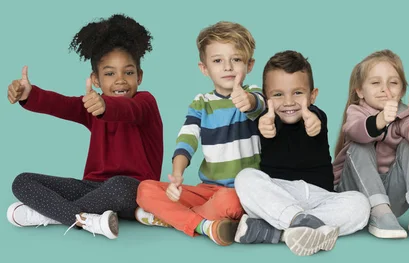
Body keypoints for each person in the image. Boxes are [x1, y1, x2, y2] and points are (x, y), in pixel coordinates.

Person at [6, 14, 162, 240]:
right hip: (92, 189)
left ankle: (49, 215)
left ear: (139, 76)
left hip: (135, 192)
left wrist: (104, 105)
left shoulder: (145, 102)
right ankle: (87, 220)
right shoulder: (92, 106)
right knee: (22, 181)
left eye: (128, 72)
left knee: (119, 187)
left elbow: (128, 110)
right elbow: (63, 105)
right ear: (96, 80)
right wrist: (31, 94)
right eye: (109, 73)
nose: (120, 80)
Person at [135, 21, 265, 246]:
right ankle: (204, 225)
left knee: (231, 203)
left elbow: (259, 105)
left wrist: (248, 101)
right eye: (217, 61)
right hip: (206, 191)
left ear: (249, 65)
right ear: (204, 68)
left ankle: (173, 218)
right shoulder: (201, 103)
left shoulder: (252, 93)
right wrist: (177, 174)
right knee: (145, 189)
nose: (227, 67)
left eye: (236, 59)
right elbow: (187, 139)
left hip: (240, 192)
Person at [233, 50, 370, 256]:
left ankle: (276, 231)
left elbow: (314, 120)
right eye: (278, 94)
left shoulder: (316, 116)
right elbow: (262, 118)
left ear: (312, 95)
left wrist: (312, 121)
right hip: (280, 194)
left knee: (360, 205)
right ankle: (300, 223)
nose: (289, 102)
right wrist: (263, 125)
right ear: (266, 97)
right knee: (245, 178)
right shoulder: (265, 120)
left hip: (321, 196)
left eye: (297, 93)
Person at [332, 49, 409, 239]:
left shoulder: (403, 113)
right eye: (375, 83)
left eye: (393, 83)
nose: (384, 89)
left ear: (402, 90)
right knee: (360, 144)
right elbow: (356, 130)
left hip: (393, 198)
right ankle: (379, 214)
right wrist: (380, 120)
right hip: (353, 193)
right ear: (360, 91)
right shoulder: (356, 111)